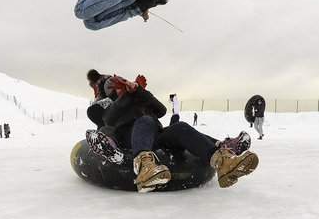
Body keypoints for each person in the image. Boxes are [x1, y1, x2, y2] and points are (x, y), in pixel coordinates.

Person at [85, 75, 258, 192]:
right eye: (118, 87)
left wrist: (138, 91)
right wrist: (127, 95)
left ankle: (223, 162)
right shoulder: (112, 106)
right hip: (131, 138)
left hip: (155, 136)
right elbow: (109, 119)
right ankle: (145, 167)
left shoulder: (139, 98)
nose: (123, 87)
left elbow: (160, 110)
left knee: (180, 127)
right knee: (146, 121)